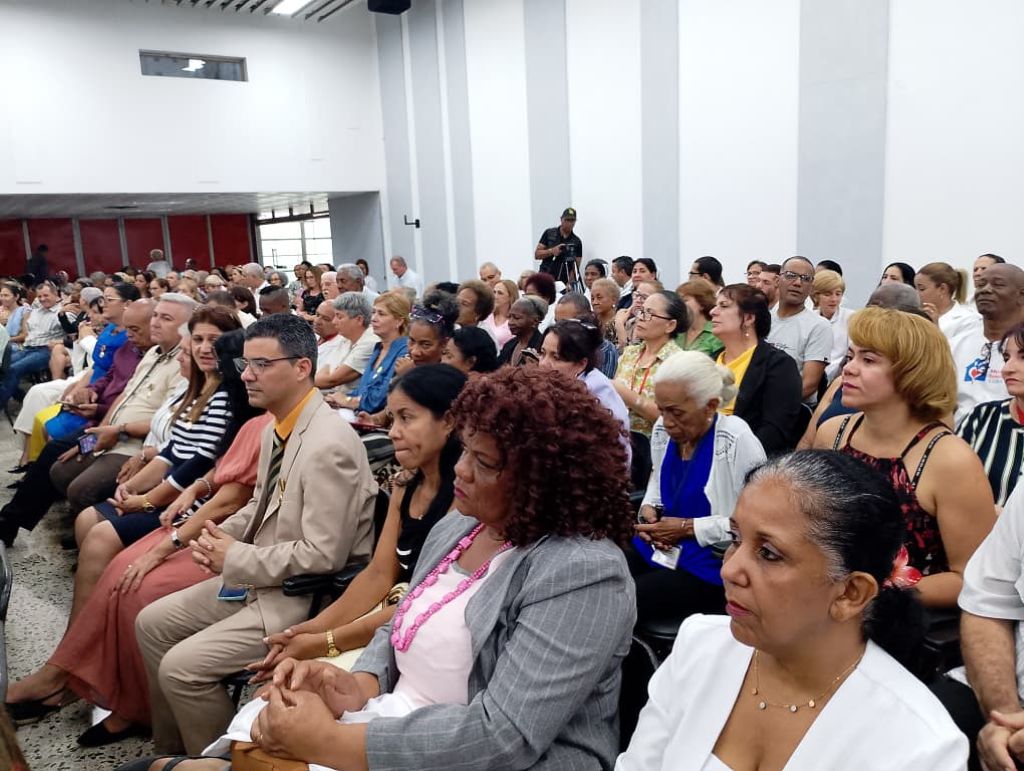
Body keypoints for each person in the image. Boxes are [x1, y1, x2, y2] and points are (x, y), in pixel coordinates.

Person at [189, 365, 634, 771]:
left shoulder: (582, 572)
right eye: (465, 450)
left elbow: (504, 737)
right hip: (404, 719)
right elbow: (408, 619)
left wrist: (329, 741)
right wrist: (356, 684)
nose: (460, 470)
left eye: (484, 462)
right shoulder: (462, 524)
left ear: (544, 478)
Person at [618, 451, 968, 770]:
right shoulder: (700, 647)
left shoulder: (919, 745)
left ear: (850, 592)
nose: (729, 570)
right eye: (736, 538)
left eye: (769, 553)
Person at [134, 313, 377, 755]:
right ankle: (170, 753)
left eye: (261, 365)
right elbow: (258, 506)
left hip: (299, 597)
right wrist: (213, 537)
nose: (245, 375)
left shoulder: (329, 446)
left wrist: (235, 559)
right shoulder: (278, 429)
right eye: (246, 363)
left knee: (181, 668)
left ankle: (219, 761)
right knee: (150, 622)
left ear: (302, 368)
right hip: (259, 578)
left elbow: (326, 554)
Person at [4, 330, 258, 745]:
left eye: (257, 366)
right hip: (176, 490)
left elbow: (218, 475)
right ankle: (73, 675)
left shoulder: (239, 405)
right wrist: (146, 479)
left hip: (225, 531)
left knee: (127, 577)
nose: (203, 349)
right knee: (105, 544)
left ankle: (103, 693)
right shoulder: (176, 376)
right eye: (196, 339)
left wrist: (157, 513)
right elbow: (186, 455)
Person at [247, 364, 467, 685]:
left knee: (292, 695)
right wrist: (305, 630)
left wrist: (326, 641)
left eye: (407, 418)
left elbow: (423, 602)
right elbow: (379, 575)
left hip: (422, 635)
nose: (392, 432)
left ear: (448, 421)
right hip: (388, 615)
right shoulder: (405, 486)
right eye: (392, 419)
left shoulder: (464, 504)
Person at [813, 307, 996, 607]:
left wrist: (874, 594)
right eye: (850, 356)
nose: (849, 368)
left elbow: (972, 578)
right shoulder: (833, 432)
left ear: (913, 374)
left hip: (903, 627)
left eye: (868, 360)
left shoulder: (950, 460)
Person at [628, 351, 766, 631]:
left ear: (710, 406)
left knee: (625, 598)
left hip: (709, 566)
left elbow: (757, 523)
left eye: (676, 413)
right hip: (661, 547)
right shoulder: (663, 431)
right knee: (600, 575)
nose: (666, 421)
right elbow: (657, 478)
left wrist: (686, 528)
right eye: (662, 409)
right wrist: (649, 511)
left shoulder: (735, 438)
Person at [710, 284, 802, 454]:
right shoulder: (710, 361)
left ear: (749, 318)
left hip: (746, 458)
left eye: (723, 306)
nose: (713, 312)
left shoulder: (778, 365)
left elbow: (774, 431)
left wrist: (731, 458)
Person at [613, 290, 686, 487]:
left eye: (649, 314)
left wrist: (628, 396)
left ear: (670, 325)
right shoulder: (629, 354)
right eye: (641, 312)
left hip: (657, 454)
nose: (640, 319)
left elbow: (673, 419)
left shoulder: (678, 361)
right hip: (619, 449)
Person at [540, 316, 630, 459]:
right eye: (542, 354)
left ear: (581, 364)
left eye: (556, 358)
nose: (544, 364)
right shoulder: (554, 385)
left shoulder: (596, 393)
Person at [956, 323, 1024, 507]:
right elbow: (948, 484)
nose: (1007, 368)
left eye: (1023, 357)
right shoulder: (982, 417)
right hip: (981, 533)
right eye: (1006, 357)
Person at [952, 263, 1024, 423]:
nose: (986, 290)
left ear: (1021, 295)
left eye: (998, 284)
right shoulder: (954, 344)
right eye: (980, 285)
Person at [767, 256, 832, 403]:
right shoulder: (763, 319)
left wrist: (771, 408)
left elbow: (809, 385)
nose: (797, 283)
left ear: (812, 286)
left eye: (805, 278)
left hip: (793, 410)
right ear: (777, 281)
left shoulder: (819, 326)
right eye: (790, 276)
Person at [334, 291, 410, 415]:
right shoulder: (378, 348)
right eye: (373, 312)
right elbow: (362, 390)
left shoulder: (404, 351)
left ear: (399, 321)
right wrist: (337, 397)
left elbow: (379, 400)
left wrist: (347, 400)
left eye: (381, 314)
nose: (374, 319)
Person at [0, 281, 65, 405]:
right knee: (2, 367)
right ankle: (24, 399)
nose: (42, 299)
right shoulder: (36, 311)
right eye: (39, 296)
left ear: (55, 294)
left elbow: (72, 333)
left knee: (13, 369)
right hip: (27, 348)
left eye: (46, 295)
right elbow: (28, 333)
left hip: (46, 350)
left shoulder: (61, 311)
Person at [318, 292, 380, 395]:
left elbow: (332, 380)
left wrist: (305, 383)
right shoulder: (345, 337)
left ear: (359, 319)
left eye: (339, 317)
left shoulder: (370, 342)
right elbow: (324, 370)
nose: (334, 322)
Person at [394, 290, 459, 378]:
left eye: (425, 345)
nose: (414, 352)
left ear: (444, 343)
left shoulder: (450, 376)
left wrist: (409, 377)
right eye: (412, 341)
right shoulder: (404, 365)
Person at [916, 261, 980, 347]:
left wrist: (935, 328)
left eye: (922, 289)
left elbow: (958, 353)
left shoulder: (969, 320)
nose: (916, 293)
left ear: (942, 289)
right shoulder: (915, 315)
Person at [554, 294, 619, 379]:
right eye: (557, 322)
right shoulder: (555, 347)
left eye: (565, 323)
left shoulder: (604, 350)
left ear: (586, 318)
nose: (559, 328)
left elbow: (598, 388)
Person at [812, 268, 854, 383]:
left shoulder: (851, 318)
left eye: (838, 294)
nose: (834, 299)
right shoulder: (809, 319)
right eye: (828, 294)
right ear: (816, 296)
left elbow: (851, 355)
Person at [535, 206, 584, 291]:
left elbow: (575, 266)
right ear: (561, 219)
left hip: (563, 281)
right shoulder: (549, 233)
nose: (570, 223)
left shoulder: (577, 241)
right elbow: (537, 254)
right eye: (567, 220)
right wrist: (552, 251)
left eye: (572, 220)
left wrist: (570, 283)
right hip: (546, 276)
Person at [675, 278, 723, 358]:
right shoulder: (678, 331)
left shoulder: (716, 332)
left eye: (685, 300)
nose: (680, 305)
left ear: (702, 303)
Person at [497, 296, 546, 367]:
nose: (510, 322)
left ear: (535, 321)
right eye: (509, 317)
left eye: (516, 318)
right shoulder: (509, 345)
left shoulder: (542, 348)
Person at [487, 278, 518, 348]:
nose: (495, 296)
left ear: (510, 297)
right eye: (494, 292)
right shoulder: (487, 316)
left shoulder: (515, 321)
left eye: (500, 293)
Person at [590, 276, 621, 344]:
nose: (594, 302)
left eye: (599, 297)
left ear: (614, 299)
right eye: (592, 298)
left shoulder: (620, 323)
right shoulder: (590, 322)